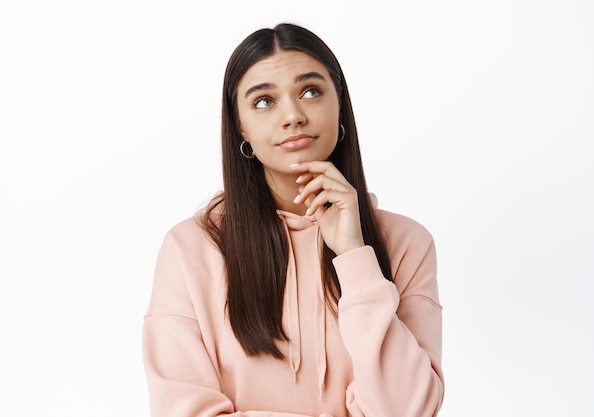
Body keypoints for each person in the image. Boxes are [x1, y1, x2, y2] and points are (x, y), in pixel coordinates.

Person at [143, 22, 444, 417]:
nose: (293, 116)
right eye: (264, 101)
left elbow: (409, 409)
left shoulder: (406, 243)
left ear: (340, 105)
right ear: (240, 126)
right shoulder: (191, 248)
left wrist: (355, 255)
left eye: (311, 91)